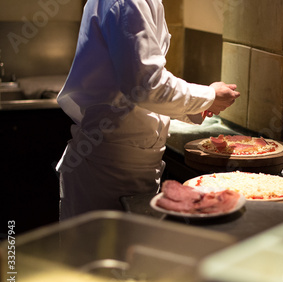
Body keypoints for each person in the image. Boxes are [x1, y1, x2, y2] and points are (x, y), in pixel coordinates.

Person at [56, 0, 240, 220]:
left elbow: (132, 85)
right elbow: (144, 86)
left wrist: (195, 108)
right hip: (110, 170)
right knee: (102, 251)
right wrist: (209, 97)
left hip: (125, 163)